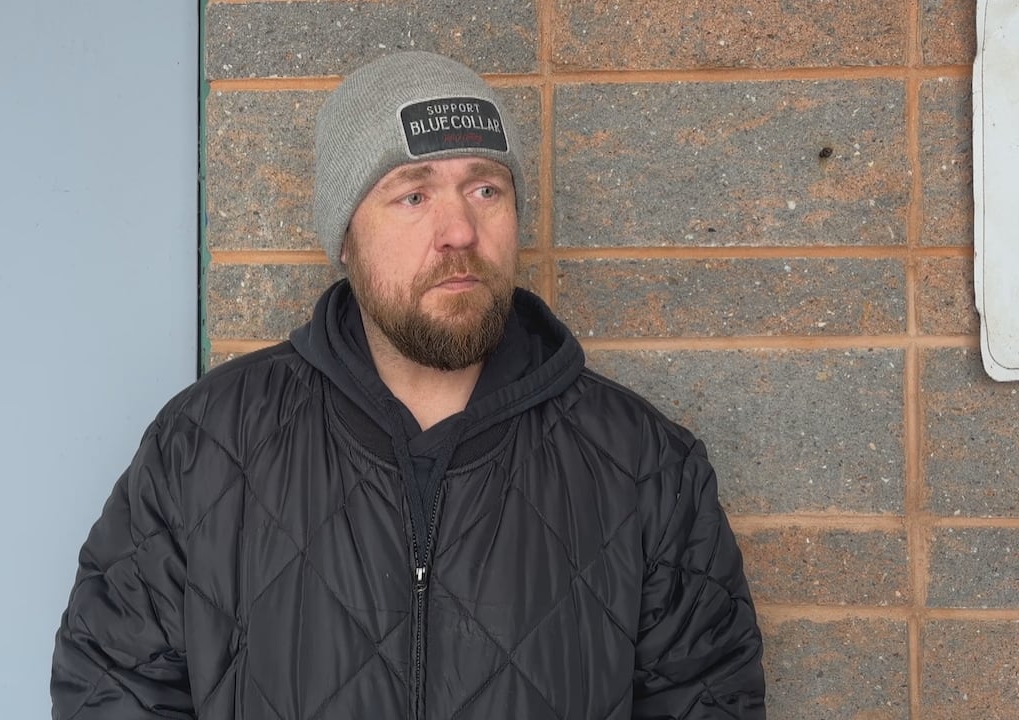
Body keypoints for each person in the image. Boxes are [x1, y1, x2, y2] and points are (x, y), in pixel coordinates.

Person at [51, 50, 765, 719]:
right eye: (413, 195)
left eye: (486, 188)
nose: (459, 229)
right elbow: (113, 686)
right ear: (344, 236)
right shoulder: (205, 446)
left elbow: (710, 698)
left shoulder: (644, 467)